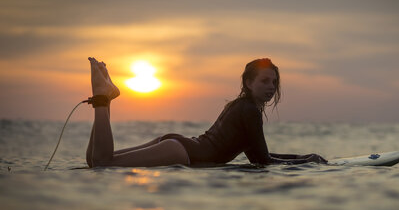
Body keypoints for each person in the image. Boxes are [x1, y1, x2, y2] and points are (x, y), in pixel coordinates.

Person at [86, 57, 327, 168]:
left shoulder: (239, 105)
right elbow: (261, 161)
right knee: (103, 163)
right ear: (249, 82)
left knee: (95, 161)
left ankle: (106, 99)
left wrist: (301, 157)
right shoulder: (249, 110)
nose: (271, 88)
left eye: (274, 82)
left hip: (177, 144)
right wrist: (307, 161)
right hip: (183, 153)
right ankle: (102, 98)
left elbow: (259, 153)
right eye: (265, 81)